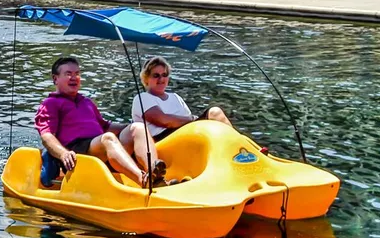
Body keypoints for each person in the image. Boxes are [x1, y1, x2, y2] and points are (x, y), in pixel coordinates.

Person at [35, 56, 161, 189]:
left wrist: (130, 126)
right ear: (55, 79)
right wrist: (63, 154)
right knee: (108, 138)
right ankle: (143, 180)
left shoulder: (86, 102)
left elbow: (105, 126)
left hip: (100, 146)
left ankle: (154, 173)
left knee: (138, 128)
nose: (74, 77)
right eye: (68, 74)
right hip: (76, 154)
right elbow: (47, 136)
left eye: (77, 74)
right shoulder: (50, 104)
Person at [132, 57, 232, 144]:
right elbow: (163, 121)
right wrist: (193, 119)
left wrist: (193, 120)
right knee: (214, 113)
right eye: (156, 75)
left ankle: (237, 144)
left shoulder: (176, 97)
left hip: (184, 133)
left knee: (215, 114)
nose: (161, 79)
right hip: (163, 139)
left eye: (164, 74)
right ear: (146, 78)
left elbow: (187, 119)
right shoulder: (142, 98)